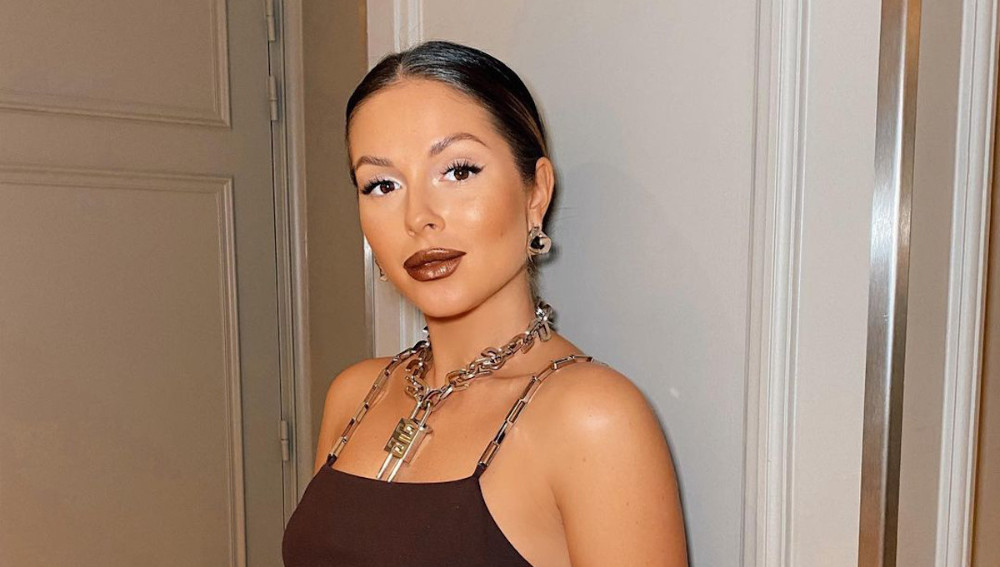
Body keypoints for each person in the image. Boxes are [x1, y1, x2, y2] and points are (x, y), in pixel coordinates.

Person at [282, 40, 688, 567]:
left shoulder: (593, 419)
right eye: (381, 184)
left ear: (536, 193)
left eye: (458, 171)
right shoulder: (355, 393)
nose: (418, 217)